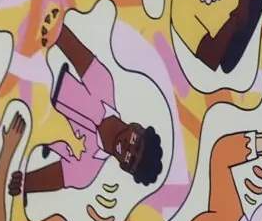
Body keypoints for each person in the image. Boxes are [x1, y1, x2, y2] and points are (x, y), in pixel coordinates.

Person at [13, 24, 168, 194]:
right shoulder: (104, 84)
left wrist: (17, 184)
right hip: (23, 63)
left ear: (124, 167)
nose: (128, 150)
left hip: (14, 114)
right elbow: (60, 34)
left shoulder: (85, 172)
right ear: (137, 128)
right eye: (136, 144)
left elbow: (23, 184)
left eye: (130, 160)